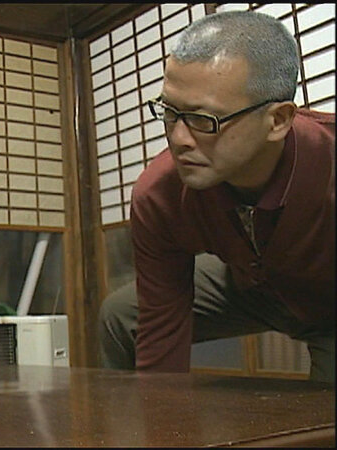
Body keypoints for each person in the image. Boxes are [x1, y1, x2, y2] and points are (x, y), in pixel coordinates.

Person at [98, 10, 334, 383]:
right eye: (170, 112)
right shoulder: (160, 193)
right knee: (123, 315)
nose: (178, 139)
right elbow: (161, 325)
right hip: (251, 284)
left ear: (277, 120)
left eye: (203, 120)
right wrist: (161, 413)